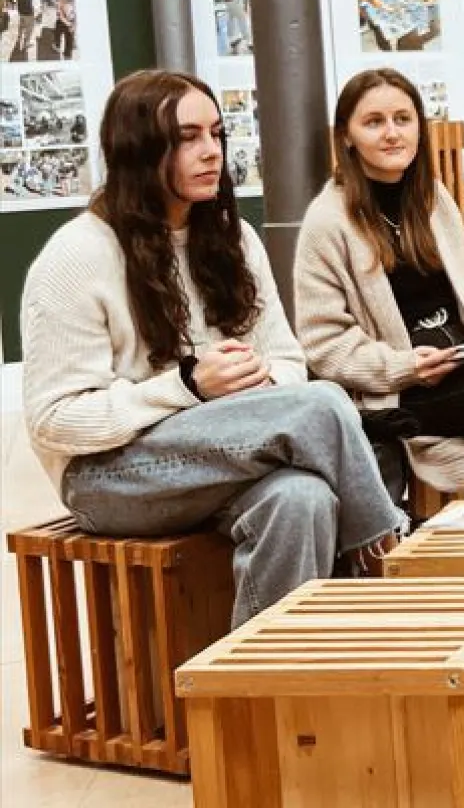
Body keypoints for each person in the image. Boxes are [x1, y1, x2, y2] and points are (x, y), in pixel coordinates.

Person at [21, 70, 406, 627]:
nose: (211, 152)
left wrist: (252, 386)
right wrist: (185, 386)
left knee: (302, 500)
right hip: (108, 477)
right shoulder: (77, 256)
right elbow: (55, 422)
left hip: (226, 456)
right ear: (139, 149)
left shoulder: (233, 238)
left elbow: (289, 364)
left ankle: (261, 703)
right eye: (187, 138)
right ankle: (390, 557)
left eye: (217, 134)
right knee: (323, 405)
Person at [295, 68, 464, 505]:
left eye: (403, 118)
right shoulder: (326, 221)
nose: (392, 133)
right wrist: (403, 366)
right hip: (403, 392)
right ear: (347, 137)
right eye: (374, 122)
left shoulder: (432, 198)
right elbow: (321, 343)